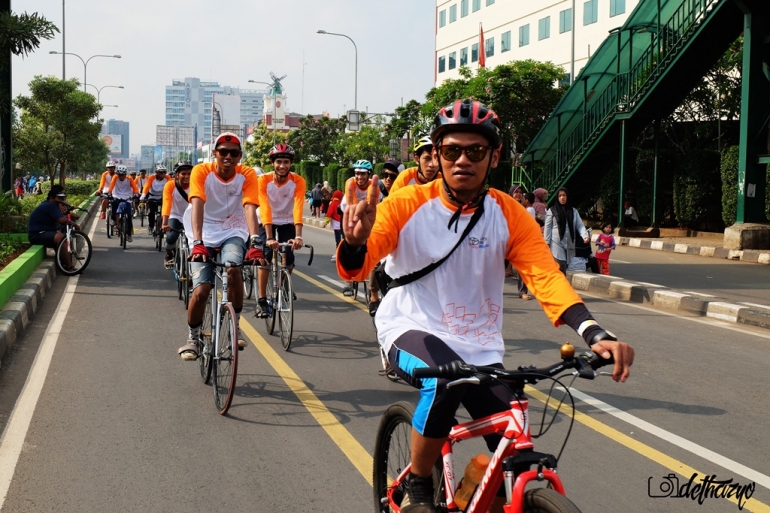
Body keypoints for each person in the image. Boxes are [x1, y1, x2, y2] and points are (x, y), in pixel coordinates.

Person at [337, 99, 634, 513]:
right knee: (443, 383)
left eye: (475, 151)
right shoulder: (406, 204)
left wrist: (595, 332)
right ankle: (420, 485)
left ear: (494, 157)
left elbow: (545, 276)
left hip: (479, 348)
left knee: (511, 445)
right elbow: (359, 266)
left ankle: (476, 493)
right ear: (436, 154)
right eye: (451, 150)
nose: (462, 160)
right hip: (410, 326)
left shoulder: (510, 214)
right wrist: (353, 243)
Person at [178, 133, 263, 360]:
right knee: (201, 291)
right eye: (222, 151)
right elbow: (197, 203)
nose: (227, 156)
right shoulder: (202, 171)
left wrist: (255, 240)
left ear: (239, 156)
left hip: (233, 229)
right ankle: (192, 337)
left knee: (234, 268)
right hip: (203, 230)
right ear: (215, 153)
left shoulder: (247, 175)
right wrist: (197, 243)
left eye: (233, 153)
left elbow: (250, 207)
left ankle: (235, 325)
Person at [255, 143, 306, 318]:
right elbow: (265, 207)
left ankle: (284, 286)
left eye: (286, 162)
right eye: (279, 162)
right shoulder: (263, 180)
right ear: (273, 163)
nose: (282, 166)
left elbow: (298, 207)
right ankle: (261, 300)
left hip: (287, 221)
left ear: (291, 163)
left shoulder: (298, 181)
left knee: (289, 256)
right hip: (266, 220)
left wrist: (298, 236)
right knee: (265, 256)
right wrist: (269, 237)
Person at [340, 160, 382, 297]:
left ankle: (372, 285)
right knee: (348, 245)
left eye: (363, 174)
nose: (359, 177)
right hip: (349, 213)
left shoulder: (374, 186)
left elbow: (372, 204)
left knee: (371, 248)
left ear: (368, 175)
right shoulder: (350, 183)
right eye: (357, 173)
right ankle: (348, 282)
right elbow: (352, 203)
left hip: (368, 216)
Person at [28, 185, 79, 269]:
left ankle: (64, 262)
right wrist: (75, 225)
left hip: (45, 232)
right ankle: (68, 266)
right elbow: (62, 220)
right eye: (59, 199)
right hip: (37, 234)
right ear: (52, 198)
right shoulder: (50, 205)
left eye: (62, 199)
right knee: (61, 238)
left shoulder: (51, 205)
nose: (61, 201)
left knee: (63, 238)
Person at [544, 187, 590, 274]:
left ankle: (560, 284)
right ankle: (559, 285)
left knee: (566, 265)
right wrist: (547, 242)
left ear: (567, 197)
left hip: (570, 242)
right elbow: (548, 227)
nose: (562, 198)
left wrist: (585, 236)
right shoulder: (552, 210)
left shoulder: (573, 211)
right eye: (560, 196)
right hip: (556, 243)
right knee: (560, 264)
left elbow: (579, 225)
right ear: (557, 198)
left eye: (564, 195)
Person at [161, 161, 192, 269]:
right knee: (171, 237)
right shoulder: (170, 185)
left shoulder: (196, 184)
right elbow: (167, 203)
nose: (187, 176)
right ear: (177, 175)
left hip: (192, 217)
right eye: (183, 173)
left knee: (194, 243)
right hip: (175, 216)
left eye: (189, 173)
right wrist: (165, 223)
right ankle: (169, 254)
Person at [107, 165, 138, 241]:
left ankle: (129, 235)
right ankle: (115, 222)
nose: (121, 177)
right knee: (114, 204)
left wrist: (136, 193)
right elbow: (111, 186)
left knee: (129, 216)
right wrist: (109, 193)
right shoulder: (115, 178)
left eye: (123, 175)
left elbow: (135, 187)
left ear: (125, 174)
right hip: (117, 196)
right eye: (119, 175)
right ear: (117, 174)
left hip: (127, 198)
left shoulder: (129, 179)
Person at [141, 164, 171, 233]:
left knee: (165, 212)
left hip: (163, 197)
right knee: (151, 212)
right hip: (152, 196)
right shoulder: (152, 178)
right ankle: (151, 226)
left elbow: (171, 185)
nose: (163, 174)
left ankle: (163, 224)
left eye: (164, 172)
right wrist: (143, 195)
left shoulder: (167, 178)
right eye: (161, 172)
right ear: (157, 172)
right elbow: (147, 186)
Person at [324, 190, 344, 261]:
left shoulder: (333, 203)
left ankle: (338, 254)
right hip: (343, 224)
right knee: (344, 239)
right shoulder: (342, 203)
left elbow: (329, 213)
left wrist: (326, 222)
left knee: (338, 240)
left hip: (337, 225)